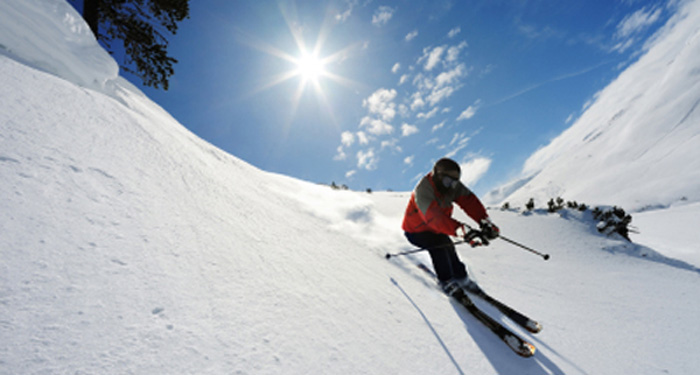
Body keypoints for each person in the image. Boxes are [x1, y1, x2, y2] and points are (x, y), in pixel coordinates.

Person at [402, 157, 500, 295]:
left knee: (448, 245)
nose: (450, 185)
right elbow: (433, 218)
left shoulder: (452, 186)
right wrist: (464, 231)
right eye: (447, 181)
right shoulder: (423, 190)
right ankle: (446, 280)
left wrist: (484, 222)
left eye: (454, 182)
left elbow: (469, 202)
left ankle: (461, 277)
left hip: (437, 229)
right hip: (416, 231)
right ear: (437, 175)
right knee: (439, 246)